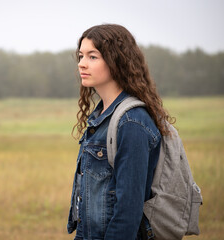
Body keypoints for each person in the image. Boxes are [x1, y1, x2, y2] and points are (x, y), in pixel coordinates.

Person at [67, 24, 175, 240]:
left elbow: (128, 211)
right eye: (80, 56)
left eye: (92, 57)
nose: (82, 64)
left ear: (116, 60)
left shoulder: (131, 122)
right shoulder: (100, 117)